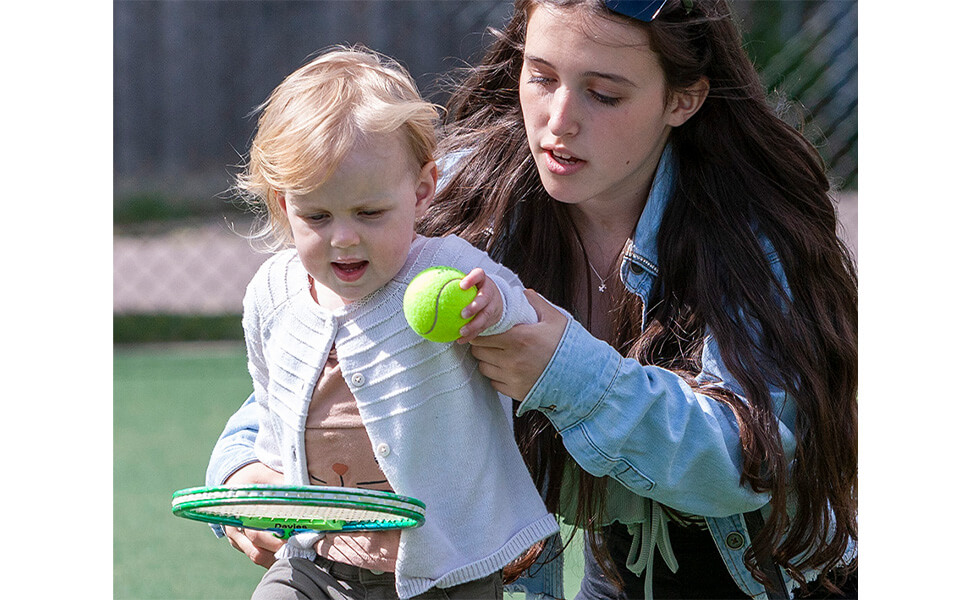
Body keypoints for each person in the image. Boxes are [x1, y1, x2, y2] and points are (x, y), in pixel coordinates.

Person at [210, 2, 858, 598]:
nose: (558, 119)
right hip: (622, 575)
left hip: (775, 579)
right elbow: (327, 351)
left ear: (683, 99)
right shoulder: (465, 196)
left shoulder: (749, 237)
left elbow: (739, 464)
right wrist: (242, 466)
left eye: (604, 93)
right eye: (542, 76)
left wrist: (565, 373)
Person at [218, 46, 560, 600]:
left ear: (422, 190)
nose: (344, 238)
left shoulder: (449, 271)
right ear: (284, 207)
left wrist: (494, 308)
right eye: (318, 216)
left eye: (370, 213)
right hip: (317, 559)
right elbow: (268, 400)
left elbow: (522, 314)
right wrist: (261, 481)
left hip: (447, 566)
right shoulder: (272, 293)